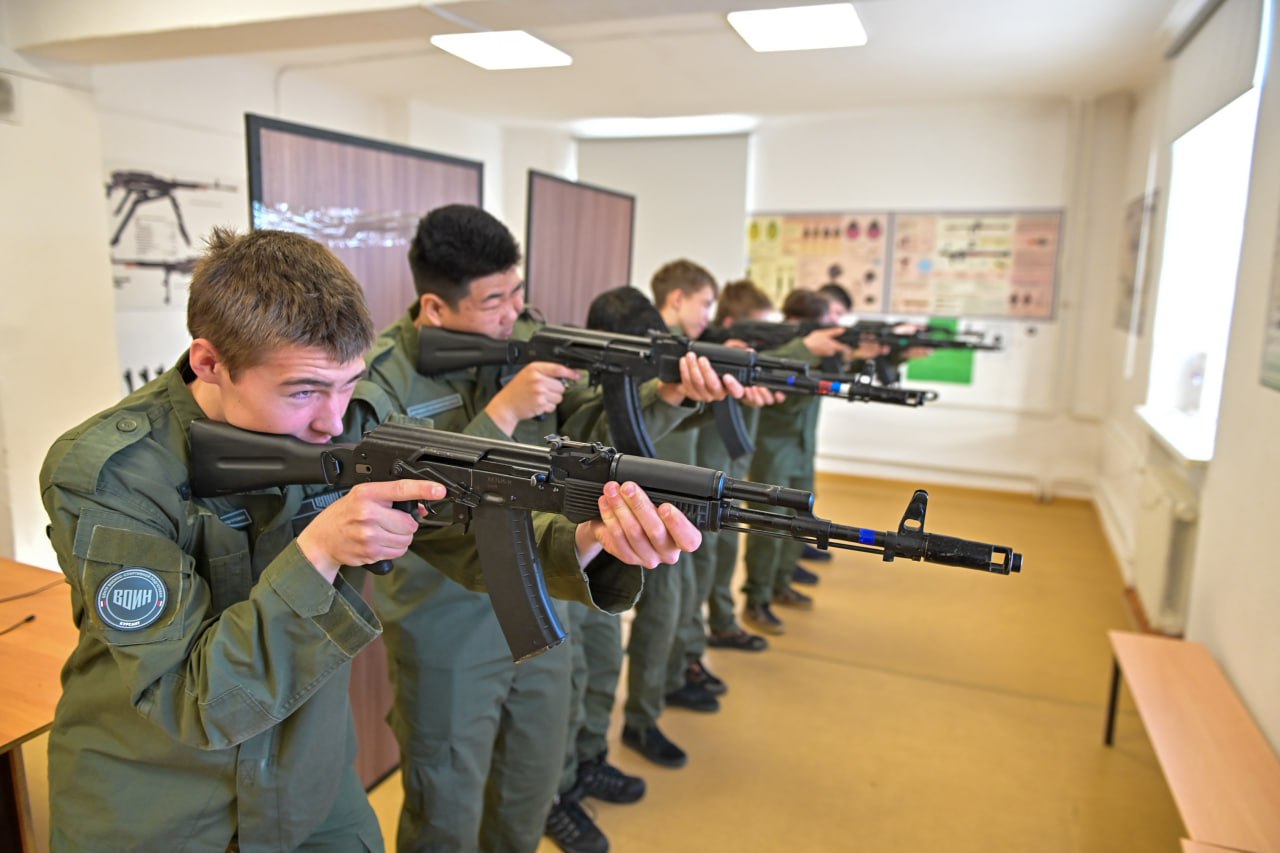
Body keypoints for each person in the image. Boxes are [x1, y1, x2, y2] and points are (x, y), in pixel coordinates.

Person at [39, 226, 701, 853]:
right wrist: (320, 552)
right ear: (209, 361)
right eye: (303, 391)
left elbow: (459, 536)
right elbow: (194, 699)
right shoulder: (109, 474)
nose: (333, 420)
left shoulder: (356, 419)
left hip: (309, 781)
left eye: (349, 383)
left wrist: (586, 537)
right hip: (154, 803)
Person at [363, 206, 734, 853]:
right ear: (436, 306)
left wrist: (665, 396)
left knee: (528, 788)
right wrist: (503, 413)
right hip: (445, 624)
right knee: (445, 805)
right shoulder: (386, 378)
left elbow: (593, 432)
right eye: (495, 299)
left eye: (518, 290)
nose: (515, 311)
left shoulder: (528, 336)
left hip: (542, 592)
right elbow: (406, 500)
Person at [741, 289, 880, 636]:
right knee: (769, 525)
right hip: (772, 449)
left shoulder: (815, 350)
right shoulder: (775, 346)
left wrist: (862, 357)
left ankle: (781, 583)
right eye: (828, 319)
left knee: (801, 519)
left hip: (802, 447)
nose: (834, 325)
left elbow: (838, 381)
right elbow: (767, 370)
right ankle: (756, 599)